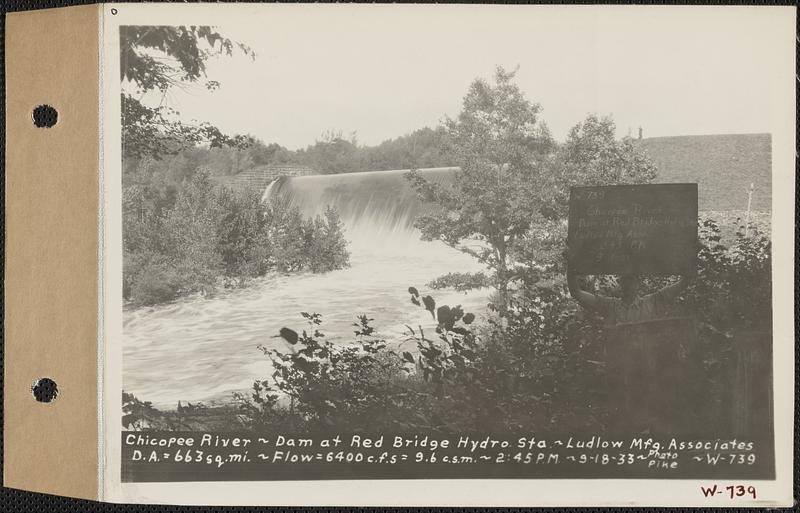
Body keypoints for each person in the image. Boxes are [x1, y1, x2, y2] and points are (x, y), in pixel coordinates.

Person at [566, 266, 690, 326]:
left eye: (632, 279)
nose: (628, 284)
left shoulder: (652, 301)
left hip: (647, 365)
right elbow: (576, 293)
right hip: (619, 367)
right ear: (620, 283)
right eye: (625, 279)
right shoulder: (610, 305)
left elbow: (684, 282)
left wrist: (691, 255)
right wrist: (571, 263)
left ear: (638, 283)